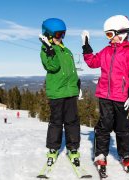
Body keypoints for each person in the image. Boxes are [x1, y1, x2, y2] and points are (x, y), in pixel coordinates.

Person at [81, 15, 129, 176]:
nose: (109, 39)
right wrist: (86, 48)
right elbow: (93, 62)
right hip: (105, 96)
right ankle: (101, 154)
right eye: (106, 35)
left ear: (121, 33)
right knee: (104, 126)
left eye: (109, 34)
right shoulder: (106, 51)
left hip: (121, 97)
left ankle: (126, 154)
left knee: (123, 127)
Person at [39, 18, 81, 167]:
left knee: (72, 122)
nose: (61, 37)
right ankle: (53, 148)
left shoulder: (66, 50)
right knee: (56, 122)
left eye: (63, 34)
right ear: (49, 35)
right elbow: (53, 67)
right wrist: (50, 50)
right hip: (57, 93)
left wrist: (77, 84)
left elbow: (72, 71)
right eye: (58, 34)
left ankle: (73, 148)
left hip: (70, 92)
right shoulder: (46, 51)